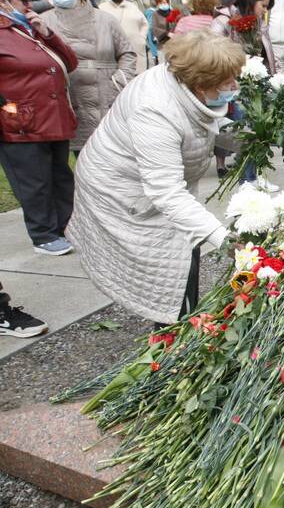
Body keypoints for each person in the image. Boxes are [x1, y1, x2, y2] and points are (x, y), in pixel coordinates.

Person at [68, 30, 246, 324]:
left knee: (185, 251)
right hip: (123, 192)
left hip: (152, 185)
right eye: (227, 81)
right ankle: (173, 337)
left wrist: (253, 139)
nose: (234, 85)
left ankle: (183, 323)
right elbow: (166, 193)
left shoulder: (185, 85)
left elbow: (202, 128)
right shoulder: (153, 110)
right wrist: (226, 242)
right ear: (200, 84)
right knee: (170, 268)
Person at [0, 0, 79, 256]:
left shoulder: (27, 29)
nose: (30, 3)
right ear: (3, 2)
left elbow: (69, 62)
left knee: (60, 176)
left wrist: (48, 34)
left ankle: (65, 227)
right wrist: (6, 106)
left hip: (52, 116)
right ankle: (43, 234)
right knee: (34, 181)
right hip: (21, 122)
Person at [42, 0, 136, 158]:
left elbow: (127, 53)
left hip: (106, 91)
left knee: (115, 153)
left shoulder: (105, 19)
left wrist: (119, 80)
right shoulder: (44, 22)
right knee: (84, 155)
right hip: (71, 95)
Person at [210, 0, 277, 186]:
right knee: (245, 133)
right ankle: (245, 181)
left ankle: (255, 176)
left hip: (258, 84)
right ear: (250, 0)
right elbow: (213, 52)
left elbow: (267, 53)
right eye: (263, 5)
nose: (265, 10)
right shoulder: (225, 22)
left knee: (258, 132)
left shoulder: (258, 23)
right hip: (236, 87)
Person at [99, 0, 149, 73]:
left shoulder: (132, 6)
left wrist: (142, 38)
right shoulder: (102, 8)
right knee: (120, 76)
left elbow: (144, 23)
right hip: (114, 49)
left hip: (136, 47)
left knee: (138, 76)